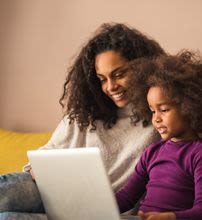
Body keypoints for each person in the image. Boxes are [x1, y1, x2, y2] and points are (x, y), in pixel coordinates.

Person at [0, 23, 165, 220]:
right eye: (102, 79)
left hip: (106, 213)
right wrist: (40, 169)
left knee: (7, 218)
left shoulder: (159, 116)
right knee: (4, 193)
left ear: (142, 68)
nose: (111, 87)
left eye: (119, 74)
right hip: (56, 193)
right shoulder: (86, 113)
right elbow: (48, 152)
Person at [115, 51, 202, 220]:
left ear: (190, 107)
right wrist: (94, 207)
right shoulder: (152, 153)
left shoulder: (201, 154)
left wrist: (170, 217)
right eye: (152, 111)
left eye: (164, 110)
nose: (156, 118)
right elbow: (127, 197)